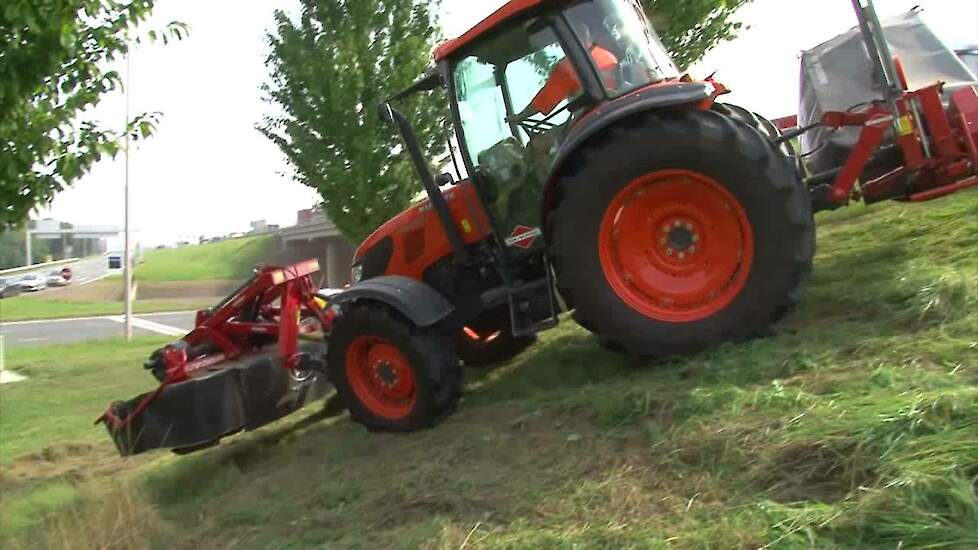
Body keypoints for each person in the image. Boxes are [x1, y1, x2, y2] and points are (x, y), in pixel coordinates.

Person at [508, 21, 619, 124]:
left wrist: (521, 116)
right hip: (617, 111)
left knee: (552, 136)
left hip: (592, 120)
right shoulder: (610, 58)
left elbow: (547, 97)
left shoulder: (570, 66)